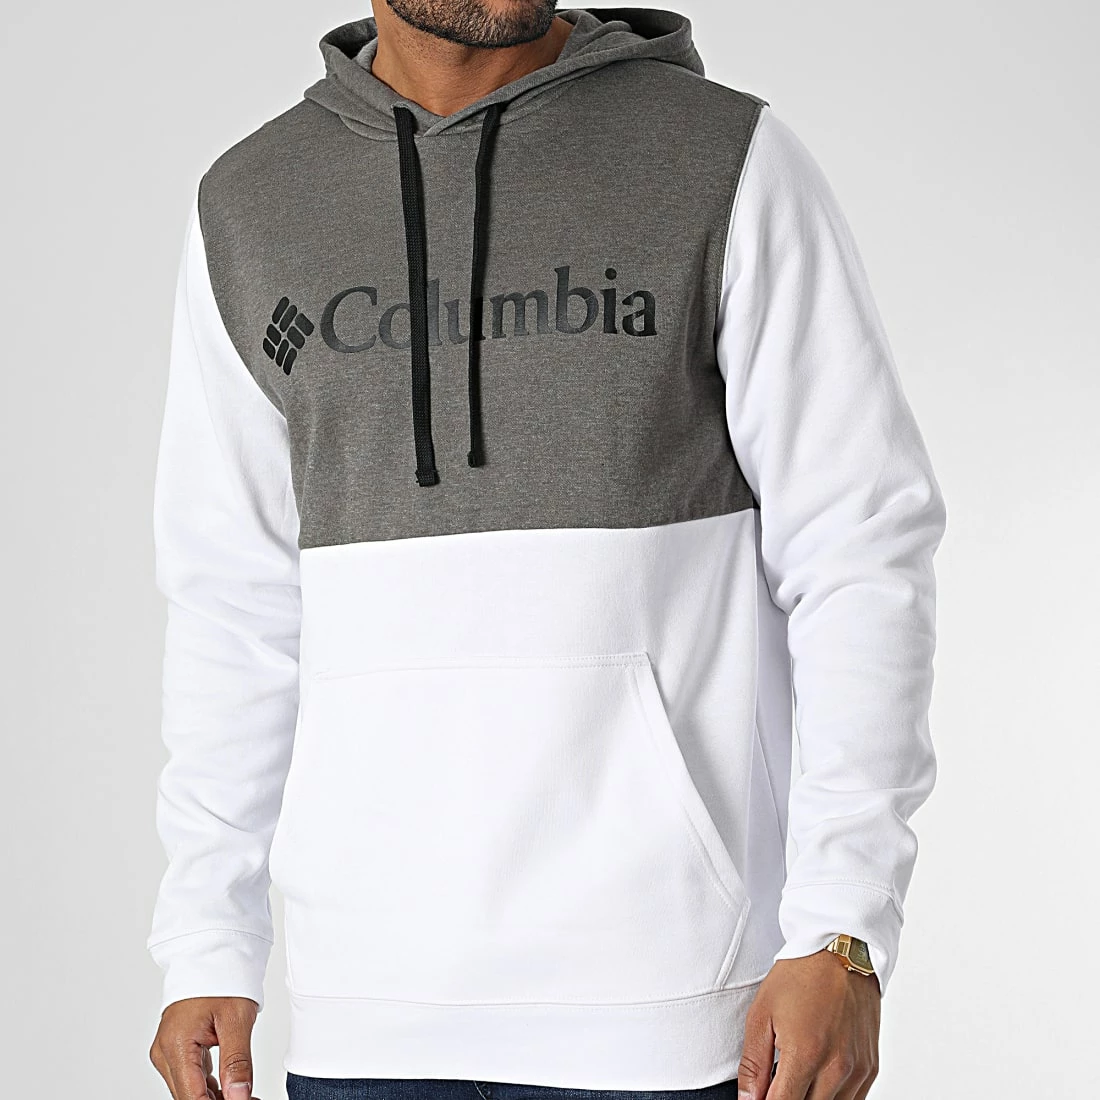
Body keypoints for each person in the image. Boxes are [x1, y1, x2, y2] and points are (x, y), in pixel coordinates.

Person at [145, 4, 947, 1100]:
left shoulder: (722, 160)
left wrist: (844, 926)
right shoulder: (252, 203)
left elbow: (861, 550)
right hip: (367, 1010)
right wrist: (208, 936)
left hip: (674, 1002)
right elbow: (233, 604)